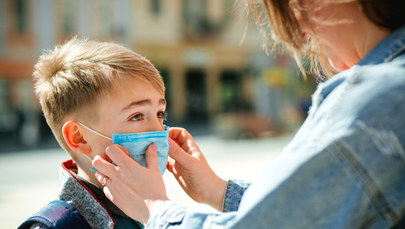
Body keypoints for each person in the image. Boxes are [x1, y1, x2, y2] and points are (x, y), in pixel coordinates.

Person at [92, 0, 405, 228]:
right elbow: (303, 214)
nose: (301, 28)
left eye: (293, 7)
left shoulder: (375, 99)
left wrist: (153, 208)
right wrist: (217, 190)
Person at [18, 37, 170, 229]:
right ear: (79, 137)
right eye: (137, 116)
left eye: (160, 114)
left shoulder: (141, 209)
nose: (159, 130)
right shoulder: (59, 226)